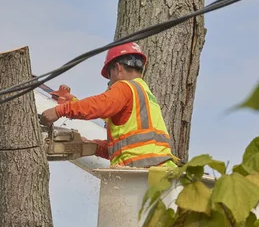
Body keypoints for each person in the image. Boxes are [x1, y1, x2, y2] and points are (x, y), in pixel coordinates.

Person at [39, 42, 179, 168]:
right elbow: (129, 146)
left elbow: (99, 105)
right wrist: (94, 146)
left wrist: (60, 110)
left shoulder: (125, 87)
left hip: (139, 172)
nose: (110, 83)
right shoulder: (147, 96)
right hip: (160, 171)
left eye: (109, 76)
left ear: (117, 68)